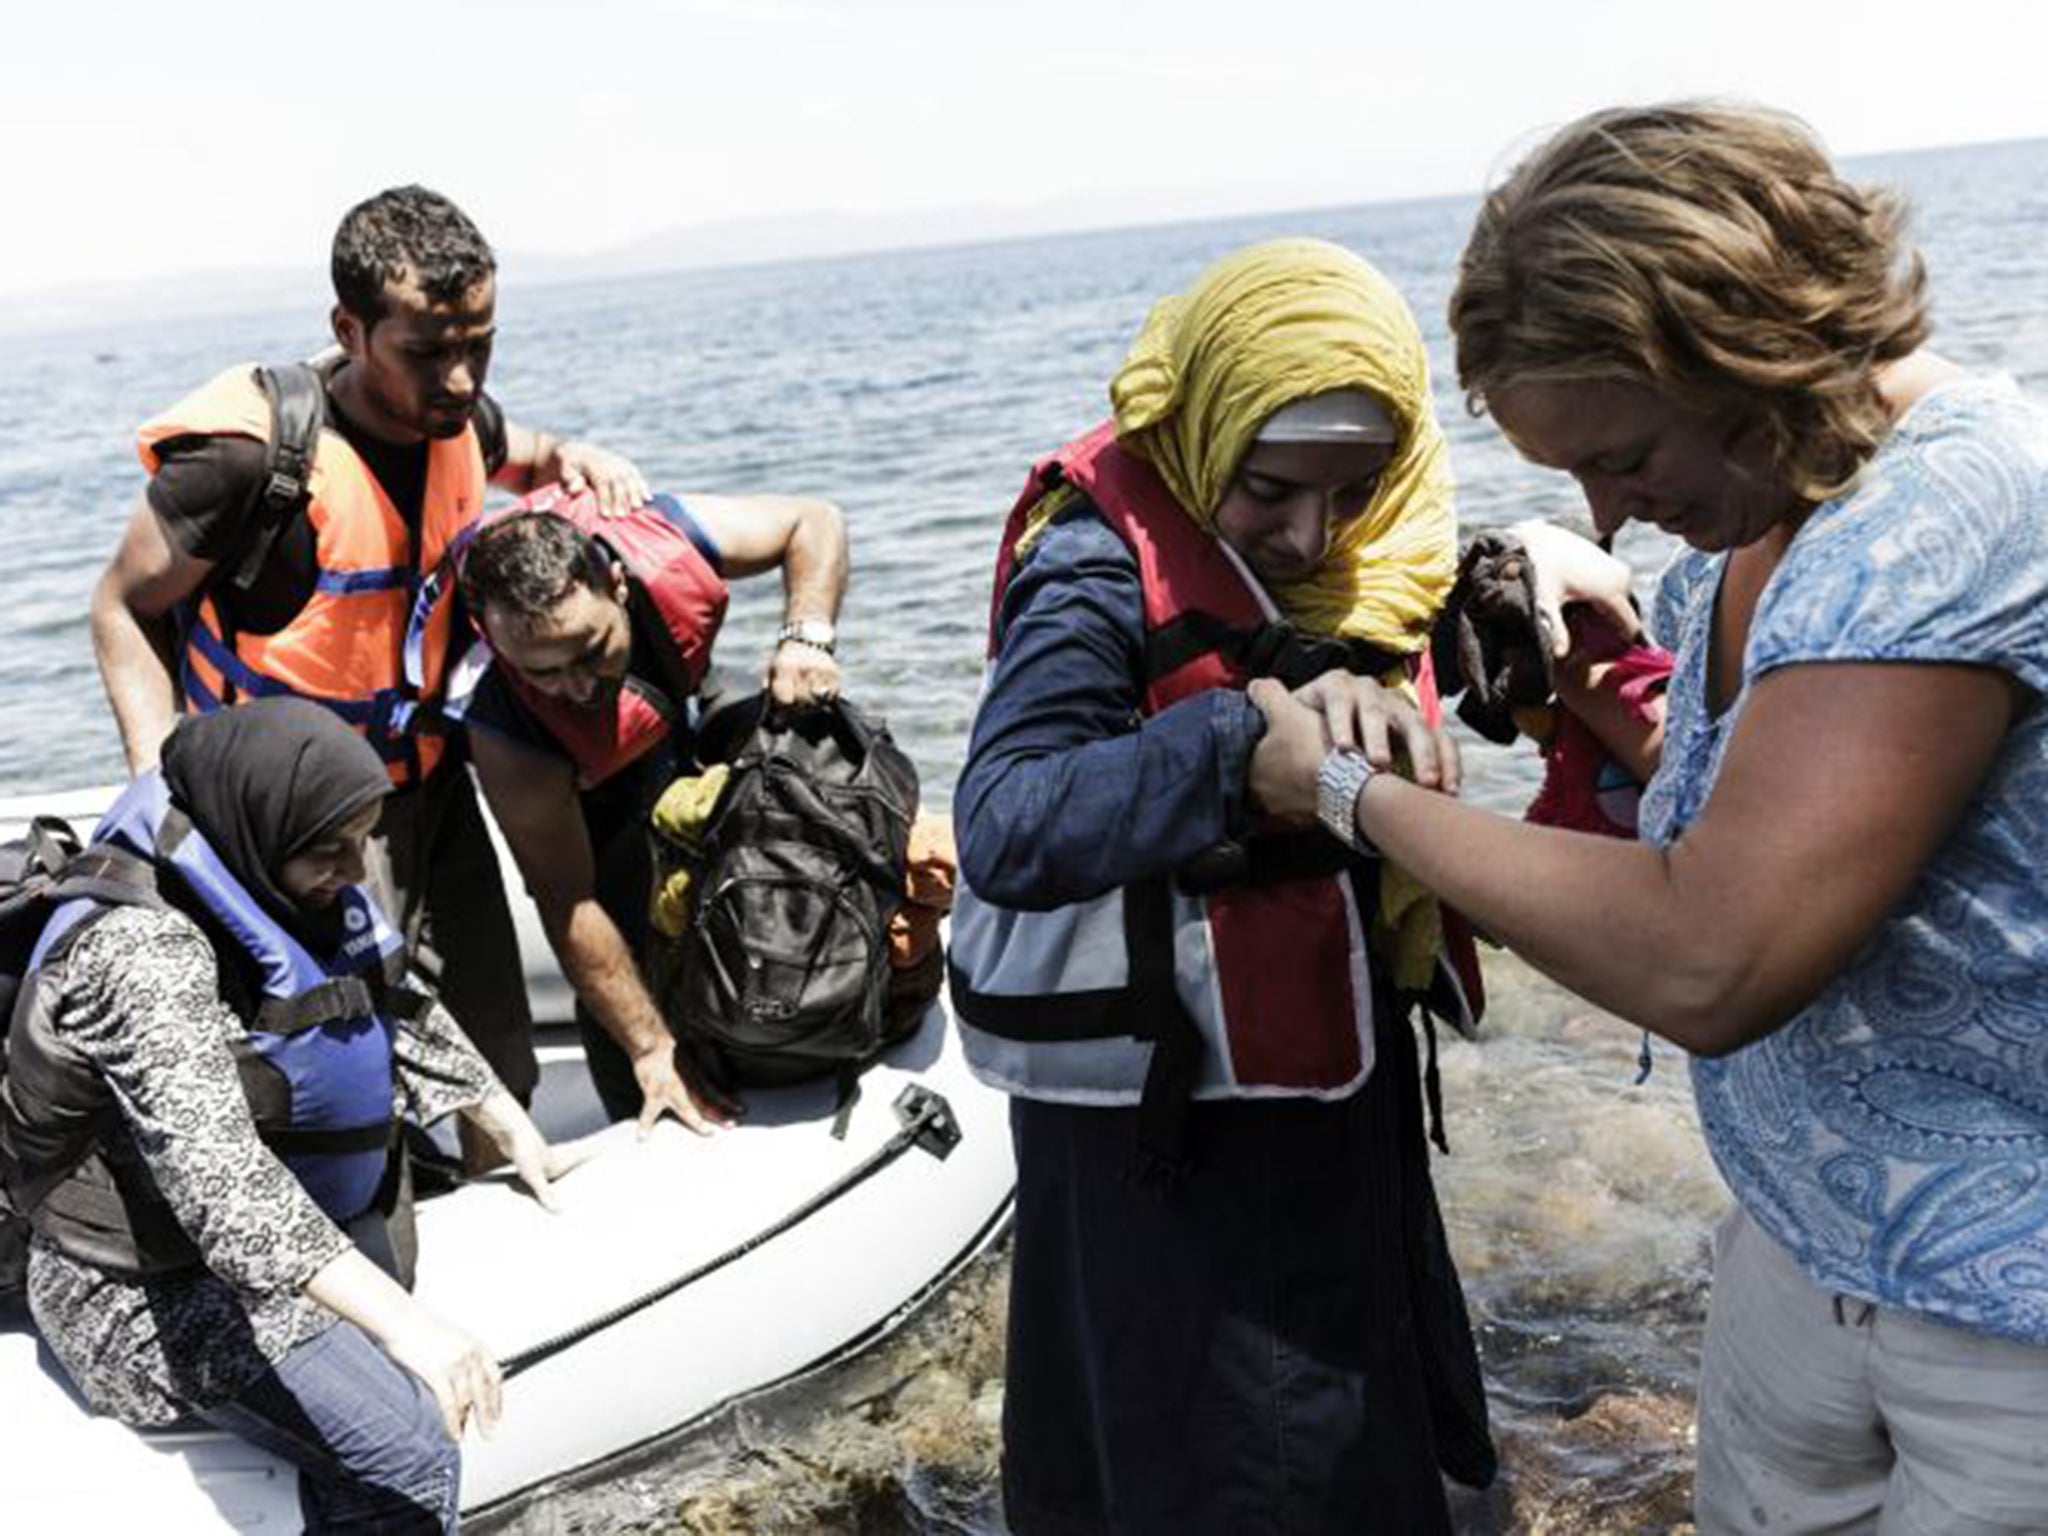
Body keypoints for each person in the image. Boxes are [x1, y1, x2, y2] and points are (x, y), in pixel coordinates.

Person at [1256, 104, 2048, 1534]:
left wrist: (1341, 792)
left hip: (2005, 1324)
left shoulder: (1957, 512)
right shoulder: (1784, 512)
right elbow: (1797, 795)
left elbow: (1713, 958)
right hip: (1817, 1242)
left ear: (1741, 345)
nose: (1606, 514)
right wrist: (1598, 689)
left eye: (1621, 457)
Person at [948, 239, 1496, 1535]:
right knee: (1210, 1462)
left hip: (1325, 1106)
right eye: (1267, 489)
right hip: (1172, 1140)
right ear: (1199, 431)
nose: (1314, 534)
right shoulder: (1091, 563)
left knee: (1358, 1432)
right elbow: (1006, 822)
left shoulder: (1380, 551)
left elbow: (1362, 628)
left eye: (1356, 491)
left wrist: (1516, 590)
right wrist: (1239, 757)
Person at [89, 184, 648, 1120]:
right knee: (345, 1090)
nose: (462, 379)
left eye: (481, 344)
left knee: (496, 1067)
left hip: (428, 787)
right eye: (428, 352)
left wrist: (571, 457)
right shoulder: (245, 462)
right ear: (349, 329)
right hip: (296, 822)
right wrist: (158, 789)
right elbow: (121, 606)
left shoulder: (460, 420)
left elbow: (520, 447)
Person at [1, 698, 586, 1532]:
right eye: (332, 851)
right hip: (134, 1292)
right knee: (407, 1454)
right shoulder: (138, 954)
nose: (355, 869)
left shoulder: (280, 866)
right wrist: (413, 1330)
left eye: (364, 842)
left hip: (254, 1235)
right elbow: (222, 1190)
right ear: (260, 827)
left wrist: (509, 1124)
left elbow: (387, 996)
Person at [455, 483, 848, 1126]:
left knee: (805, 751)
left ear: (618, 585)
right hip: (586, 781)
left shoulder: (663, 548)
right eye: (544, 672)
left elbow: (815, 518)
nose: (577, 685)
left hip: (677, 699)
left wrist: (807, 636)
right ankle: (637, 1093)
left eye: (588, 651)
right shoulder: (507, 732)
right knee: (625, 916)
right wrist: (650, 1047)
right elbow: (567, 901)